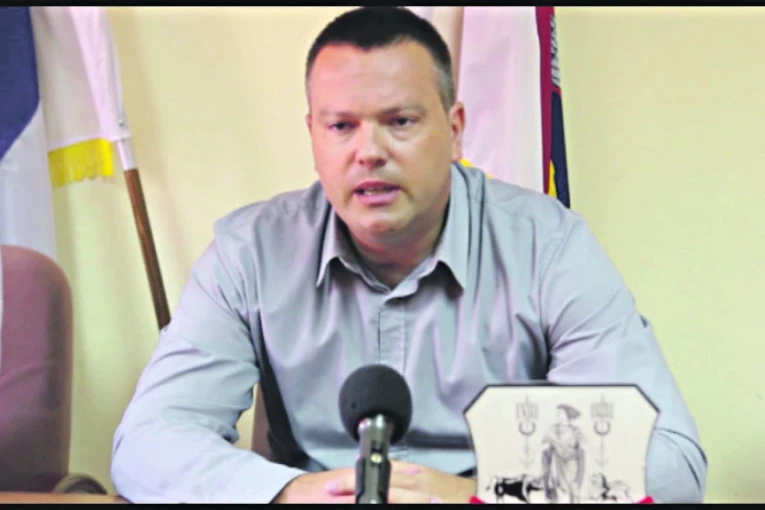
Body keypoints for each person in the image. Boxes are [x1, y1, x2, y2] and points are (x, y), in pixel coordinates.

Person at [111, 6, 707, 504]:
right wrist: (292, 493)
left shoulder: (547, 248)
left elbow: (671, 460)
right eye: (341, 127)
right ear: (313, 135)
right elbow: (147, 443)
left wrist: (473, 494)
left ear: (455, 128)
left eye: (399, 121)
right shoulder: (251, 253)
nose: (368, 152)